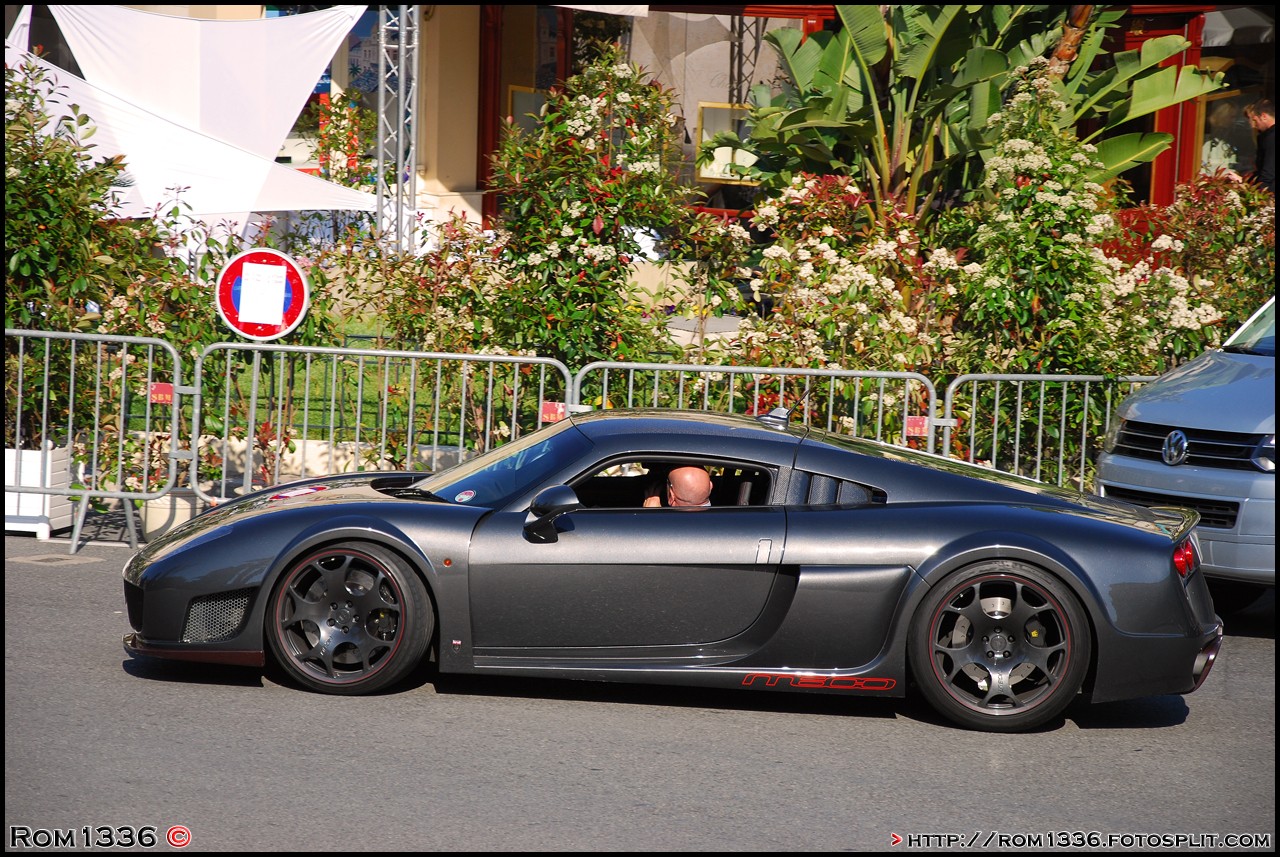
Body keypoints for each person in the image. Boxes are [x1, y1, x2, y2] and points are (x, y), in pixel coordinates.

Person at [1226, 99, 1275, 194]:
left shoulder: (1271, 137)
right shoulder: (1267, 135)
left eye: (1255, 120)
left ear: (1264, 116)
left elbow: (1268, 172)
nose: (1253, 125)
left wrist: (1257, 192)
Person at [643, 465, 712, 507]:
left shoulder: (663, 524)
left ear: (672, 496)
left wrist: (650, 518)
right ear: (711, 486)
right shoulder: (716, 519)